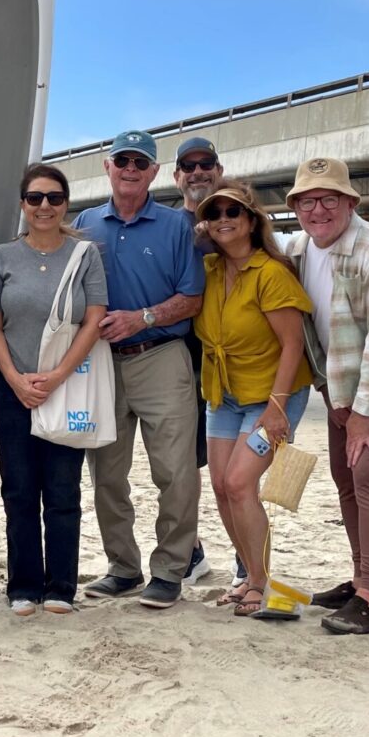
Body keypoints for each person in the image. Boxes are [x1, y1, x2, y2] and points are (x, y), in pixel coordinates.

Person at [72, 130, 204, 609]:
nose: (130, 168)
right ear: (107, 167)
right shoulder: (84, 223)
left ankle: (169, 570)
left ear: (153, 172)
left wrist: (142, 318)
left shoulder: (177, 227)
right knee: (107, 473)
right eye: (121, 160)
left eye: (140, 162)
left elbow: (193, 298)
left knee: (175, 470)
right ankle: (123, 568)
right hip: (103, 364)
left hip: (162, 357)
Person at [286, 157, 369, 635]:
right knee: (345, 479)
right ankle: (360, 580)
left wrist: (362, 413)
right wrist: (328, 394)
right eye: (308, 201)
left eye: (329, 199)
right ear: (296, 207)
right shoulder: (298, 250)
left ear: (350, 202)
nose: (318, 210)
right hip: (336, 387)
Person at [0, 164, 108, 615]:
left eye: (54, 198)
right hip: (14, 389)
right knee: (18, 491)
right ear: (23, 204)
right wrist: (17, 379)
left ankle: (61, 586)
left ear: (65, 204)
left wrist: (55, 377)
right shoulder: (2, 257)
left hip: (67, 386)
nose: (44, 206)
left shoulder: (85, 255)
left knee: (62, 491)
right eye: (35, 198)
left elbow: (94, 319)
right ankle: (23, 586)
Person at [193, 183, 314, 617]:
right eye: (215, 213)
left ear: (250, 221)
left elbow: (293, 344)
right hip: (223, 394)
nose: (224, 219)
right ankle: (247, 574)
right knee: (223, 488)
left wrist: (277, 407)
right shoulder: (207, 269)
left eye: (234, 212)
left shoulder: (270, 272)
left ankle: (259, 581)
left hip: (272, 394)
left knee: (242, 484)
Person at [173, 136, 226, 586]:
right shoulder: (169, 227)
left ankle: (250, 560)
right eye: (188, 167)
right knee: (183, 465)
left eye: (205, 164)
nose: (197, 172)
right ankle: (191, 551)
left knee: (236, 471)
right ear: (176, 177)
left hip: (237, 365)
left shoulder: (237, 219)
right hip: (182, 361)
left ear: (219, 170)